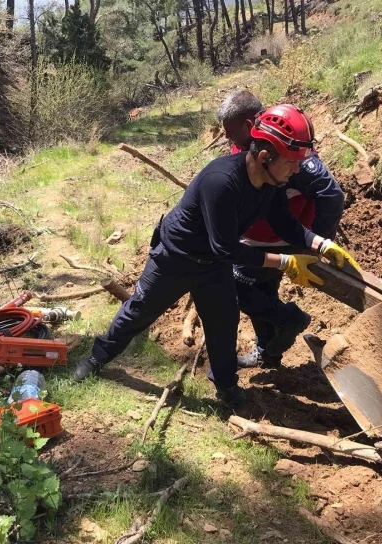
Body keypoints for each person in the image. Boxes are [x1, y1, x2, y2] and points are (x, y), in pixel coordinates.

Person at [73, 105, 358, 406]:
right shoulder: (221, 181)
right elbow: (227, 248)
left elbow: (284, 223)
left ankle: (226, 387)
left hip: (213, 265)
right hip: (175, 257)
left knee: (223, 325)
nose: (297, 170)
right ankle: (96, 358)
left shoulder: (271, 184)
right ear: (264, 156)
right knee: (139, 311)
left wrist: (321, 244)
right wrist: (286, 262)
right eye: (291, 162)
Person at [217, 91, 346, 369]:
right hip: (254, 237)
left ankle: (289, 323)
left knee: (239, 290)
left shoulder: (287, 153)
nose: (227, 137)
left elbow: (331, 195)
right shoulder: (251, 145)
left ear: (250, 123)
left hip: (276, 240)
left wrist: (315, 243)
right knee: (260, 292)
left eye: (231, 130)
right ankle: (269, 352)